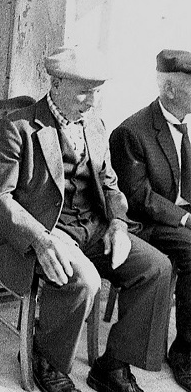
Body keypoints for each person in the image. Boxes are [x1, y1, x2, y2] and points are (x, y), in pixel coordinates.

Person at [0, 46, 172, 392]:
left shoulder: (95, 126)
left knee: (156, 268)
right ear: (55, 84)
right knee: (84, 280)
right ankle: (46, 360)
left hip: (93, 228)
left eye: (97, 91)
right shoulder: (17, 127)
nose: (92, 101)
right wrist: (40, 238)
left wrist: (118, 223)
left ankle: (113, 366)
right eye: (84, 91)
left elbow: (110, 183)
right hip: (43, 229)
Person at [110, 49, 191, 391]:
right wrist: (185, 218)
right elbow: (139, 197)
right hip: (147, 224)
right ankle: (185, 353)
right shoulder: (132, 132)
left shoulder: (185, 122)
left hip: (178, 217)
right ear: (170, 89)